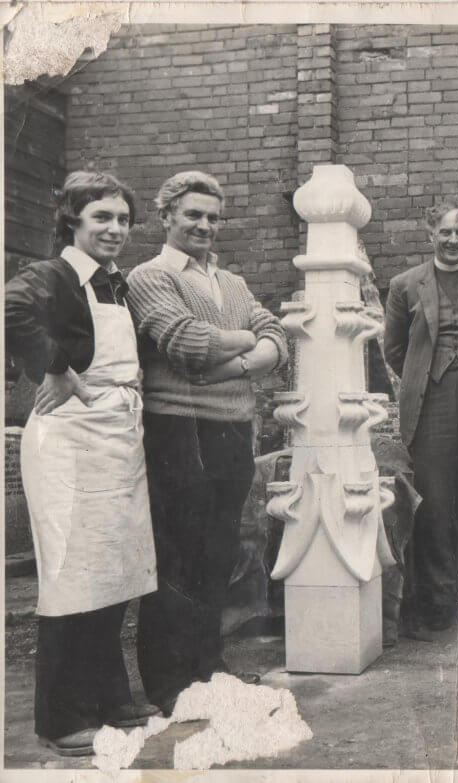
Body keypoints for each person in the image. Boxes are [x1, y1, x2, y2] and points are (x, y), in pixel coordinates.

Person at [5, 171, 160, 755]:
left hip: (116, 437)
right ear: (72, 220)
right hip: (70, 443)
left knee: (115, 571)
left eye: (122, 219)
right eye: (102, 217)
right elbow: (10, 309)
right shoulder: (51, 275)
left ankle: (108, 697)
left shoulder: (112, 284)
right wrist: (55, 367)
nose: (115, 229)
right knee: (72, 577)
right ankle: (61, 717)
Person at [126, 171, 288, 715]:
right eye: (193, 214)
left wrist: (235, 361)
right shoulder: (149, 277)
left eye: (213, 217)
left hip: (232, 430)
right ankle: (168, 683)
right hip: (178, 429)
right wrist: (251, 349)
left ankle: (208, 669)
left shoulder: (234, 283)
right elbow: (186, 343)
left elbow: (280, 339)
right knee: (178, 558)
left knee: (219, 555)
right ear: (166, 215)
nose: (204, 225)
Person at [383, 202, 458, 633]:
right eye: (445, 233)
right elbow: (394, 350)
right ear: (430, 233)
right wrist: (423, 378)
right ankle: (439, 599)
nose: (453, 240)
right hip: (430, 401)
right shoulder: (404, 285)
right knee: (435, 502)